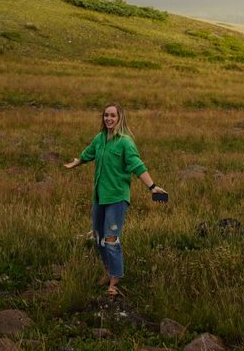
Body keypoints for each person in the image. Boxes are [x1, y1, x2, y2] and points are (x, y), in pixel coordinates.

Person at [63, 103, 167, 296]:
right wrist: (77, 162)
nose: (108, 119)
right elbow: (88, 153)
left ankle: (114, 280)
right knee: (98, 237)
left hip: (117, 197)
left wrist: (152, 187)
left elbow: (137, 165)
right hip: (99, 197)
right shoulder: (100, 138)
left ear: (120, 118)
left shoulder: (125, 142)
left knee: (111, 239)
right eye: (106, 116)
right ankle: (108, 270)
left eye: (112, 116)